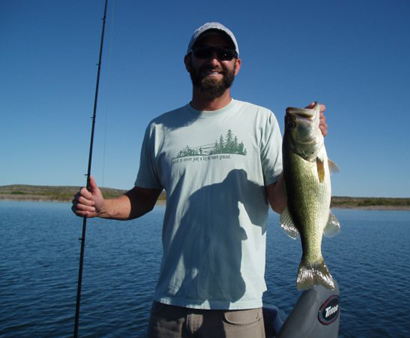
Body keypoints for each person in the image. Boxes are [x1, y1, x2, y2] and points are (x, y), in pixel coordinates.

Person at [72, 22, 328, 338]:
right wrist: (102, 206)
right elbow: (142, 197)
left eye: (224, 52)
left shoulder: (261, 120)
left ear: (237, 63)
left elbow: (278, 202)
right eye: (204, 52)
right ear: (188, 61)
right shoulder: (160, 129)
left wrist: (301, 152)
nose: (214, 59)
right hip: (170, 306)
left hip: (239, 306)